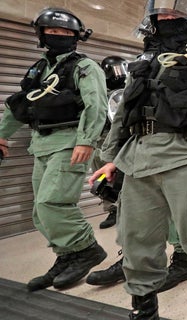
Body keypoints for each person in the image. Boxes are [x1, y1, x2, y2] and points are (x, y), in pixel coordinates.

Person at [90, 1, 187, 318]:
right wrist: (110, 158)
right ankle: (144, 306)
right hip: (137, 160)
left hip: (182, 157)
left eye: (175, 11)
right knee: (137, 239)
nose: (167, 17)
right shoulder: (143, 60)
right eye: (162, 12)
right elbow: (123, 113)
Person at [0, 7, 108, 291]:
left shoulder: (85, 67)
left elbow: (96, 106)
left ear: (76, 36)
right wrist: (1, 135)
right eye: (52, 31)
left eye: (65, 32)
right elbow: (20, 105)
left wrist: (87, 140)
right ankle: (66, 256)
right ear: (41, 34)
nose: (58, 36)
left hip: (70, 143)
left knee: (53, 203)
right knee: (41, 210)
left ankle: (86, 249)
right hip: (41, 144)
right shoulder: (38, 70)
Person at [94, 56, 128, 229]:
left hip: (123, 138)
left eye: (121, 70)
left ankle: (126, 207)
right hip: (102, 139)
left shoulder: (129, 90)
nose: (119, 75)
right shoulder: (98, 91)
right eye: (115, 70)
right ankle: (111, 209)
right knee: (102, 176)